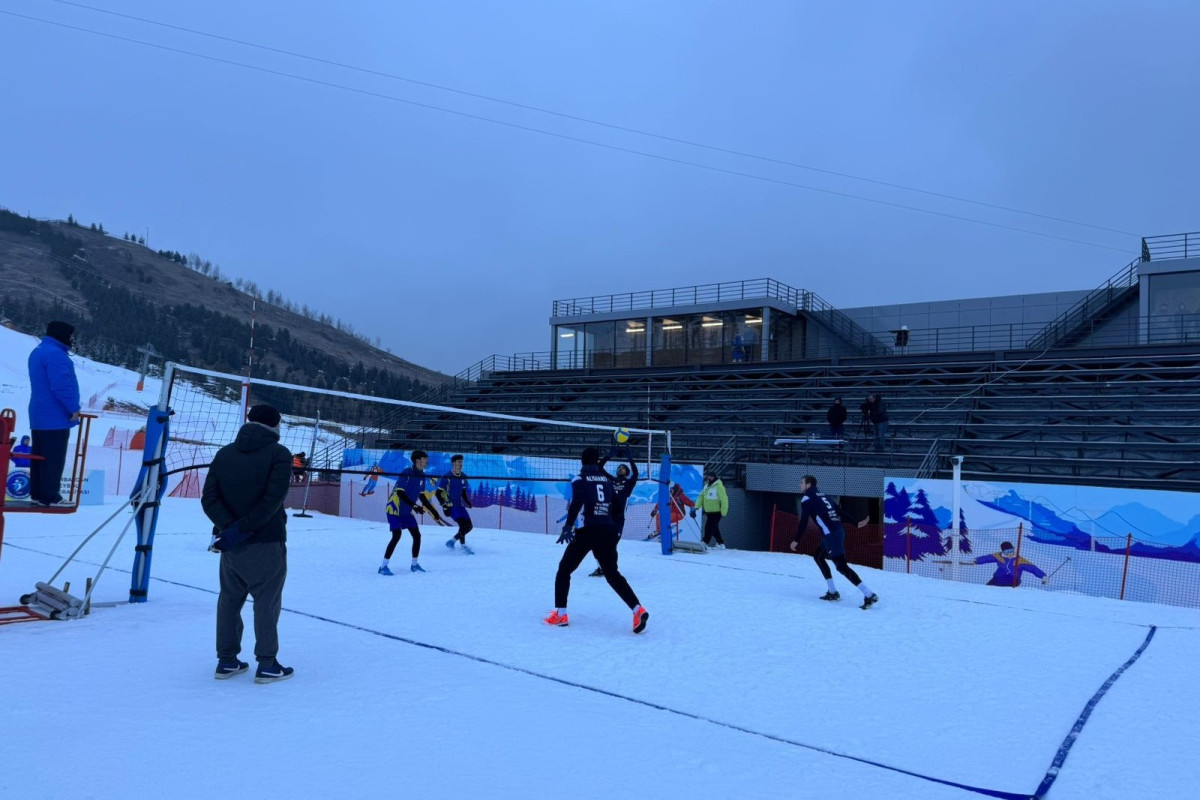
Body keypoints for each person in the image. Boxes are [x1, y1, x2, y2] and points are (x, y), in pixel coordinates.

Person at [201, 403, 294, 684]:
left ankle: (226, 661)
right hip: (264, 540)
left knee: (229, 600)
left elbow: (209, 499)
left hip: (230, 543)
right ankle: (267, 664)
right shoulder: (279, 454)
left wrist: (230, 530)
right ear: (275, 424)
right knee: (266, 602)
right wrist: (241, 529)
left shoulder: (225, 453)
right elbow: (272, 501)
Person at [545, 447, 648, 633]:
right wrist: (609, 525)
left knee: (564, 569)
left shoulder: (579, 479)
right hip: (607, 530)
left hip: (587, 531)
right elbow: (617, 508)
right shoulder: (607, 481)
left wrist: (568, 525)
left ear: (582, 461)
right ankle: (637, 609)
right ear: (596, 460)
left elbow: (577, 502)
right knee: (612, 574)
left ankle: (561, 614)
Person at [789, 475, 878, 609]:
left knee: (841, 567)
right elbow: (839, 511)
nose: (799, 485)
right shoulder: (824, 495)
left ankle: (869, 594)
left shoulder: (807, 498)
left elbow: (803, 521)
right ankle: (832, 592)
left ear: (808, 484)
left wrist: (796, 540)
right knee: (818, 556)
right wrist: (856, 523)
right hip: (834, 532)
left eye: (801, 482)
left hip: (831, 535)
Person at [28, 321, 82, 506]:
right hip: (55, 415)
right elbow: (61, 385)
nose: (72, 339)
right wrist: (73, 408)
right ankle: (51, 495)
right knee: (54, 457)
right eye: (71, 336)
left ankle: (37, 494)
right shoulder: (56, 355)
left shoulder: (39, 351)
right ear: (63, 335)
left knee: (40, 456)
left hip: (39, 414)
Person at [379, 450, 440, 575]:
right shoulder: (407, 472)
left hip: (406, 510)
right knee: (397, 536)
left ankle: (414, 564)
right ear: (418, 460)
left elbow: (422, 497)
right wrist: (415, 506)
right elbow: (400, 493)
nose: (426, 461)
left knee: (417, 535)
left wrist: (434, 511)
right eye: (424, 459)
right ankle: (383, 567)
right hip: (394, 509)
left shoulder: (422, 475)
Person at [590, 445, 638, 577]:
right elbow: (599, 467)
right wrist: (609, 455)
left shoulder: (628, 484)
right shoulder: (610, 480)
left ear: (626, 472)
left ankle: (610, 569)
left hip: (618, 518)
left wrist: (629, 457)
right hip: (606, 516)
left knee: (612, 545)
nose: (620, 469)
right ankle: (602, 568)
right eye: (619, 467)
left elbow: (636, 473)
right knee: (599, 544)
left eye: (623, 468)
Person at [437, 454, 475, 555]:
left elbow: (463, 492)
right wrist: (444, 505)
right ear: (453, 463)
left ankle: (452, 542)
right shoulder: (447, 476)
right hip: (451, 505)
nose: (461, 464)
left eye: (461, 462)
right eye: (459, 462)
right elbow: (438, 493)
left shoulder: (463, 476)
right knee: (463, 525)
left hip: (459, 505)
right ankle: (463, 546)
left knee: (469, 526)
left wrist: (467, 501)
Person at [974, 542, 1047, 587]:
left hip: (1013, 579)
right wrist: (976, 561)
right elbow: (986, 558)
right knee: (988, 588)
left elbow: (1032, 568)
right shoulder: (999, 556)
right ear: (1003, 551)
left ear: (1013, 549)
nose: (1010, 553)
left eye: (1011, 550)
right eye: (1007, 551)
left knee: (998, 587)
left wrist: (1043, 576)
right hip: (998, 578)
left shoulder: (1019, 560)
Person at [696, 471, 729, 549]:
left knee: (709, 527)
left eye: (711, 476)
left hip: (717, 511)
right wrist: (697, 506)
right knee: (714, 528)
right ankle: (720, 543)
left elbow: (724, 499)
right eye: (708, 476)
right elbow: (701, 496)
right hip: (709, 511)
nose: (709, 478)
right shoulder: (707, 486)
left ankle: (705, 542)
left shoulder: (719, 486)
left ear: (714, 477)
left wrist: (723, 511)